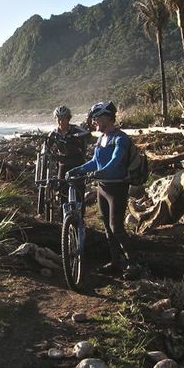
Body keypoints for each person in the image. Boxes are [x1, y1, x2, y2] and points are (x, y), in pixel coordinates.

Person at [66, 101, 133, 275]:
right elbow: (95, 162)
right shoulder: (102, 138)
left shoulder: (120, 138)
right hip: (102, 187)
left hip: (117, 187)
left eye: (96, 118)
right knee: (107, 227)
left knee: (116, 227)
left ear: (106, 117)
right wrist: (78, 169)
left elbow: (116, 160)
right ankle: (115, 262)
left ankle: (134, 263)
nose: (93, 122)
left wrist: (101, 172)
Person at [48, 105, 90, 203]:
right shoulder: (54, 133)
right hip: (63, 163)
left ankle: (80, 215)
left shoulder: (75, 129)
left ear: (68, 118)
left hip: (78, 162)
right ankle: (64, 215)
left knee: (79, 189)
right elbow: (46, 147)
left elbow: (87, 134)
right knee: (62, 188)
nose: (60, 121)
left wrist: (74, 136)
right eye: (58, 119)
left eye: (63, 119)